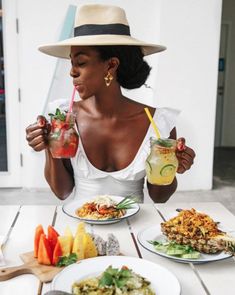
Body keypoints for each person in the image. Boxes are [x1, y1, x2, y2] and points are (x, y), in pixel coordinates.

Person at [26, 4, 195, 203]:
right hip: (83, 231)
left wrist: (172, 167)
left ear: (111, 65)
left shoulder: (157, 123)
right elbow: (62, 192)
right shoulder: (63, 118)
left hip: (135, 231)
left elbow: (160, 197)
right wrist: (50, 145)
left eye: (80, 63)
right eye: (71, 63)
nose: (72, 72)